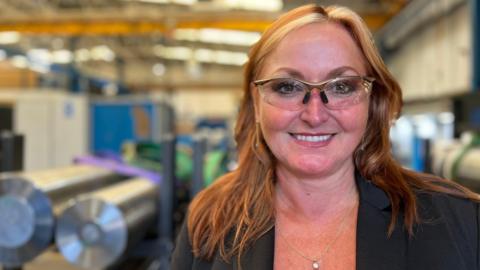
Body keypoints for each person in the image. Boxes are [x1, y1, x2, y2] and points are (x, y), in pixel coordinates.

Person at [171, 4, 480, 270]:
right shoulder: (210, 222)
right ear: (256, 102)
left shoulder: (458, 221)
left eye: (341, 86)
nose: (314, 115)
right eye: (287, 86)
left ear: (372, 101)